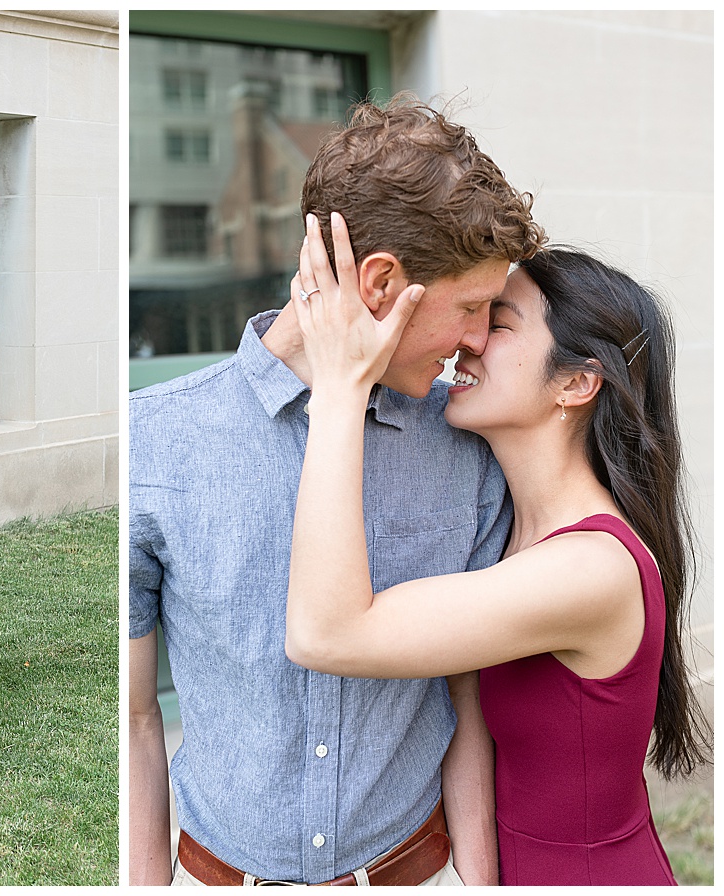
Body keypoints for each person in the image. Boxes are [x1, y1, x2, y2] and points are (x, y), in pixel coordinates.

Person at [129, 94, 545, 886]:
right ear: (382, 282)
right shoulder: (156, 441)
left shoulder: (466, 447)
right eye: (472, 307)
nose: (482, 341)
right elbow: (140, 719)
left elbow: (466, 711)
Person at [285, 215, 711, 885]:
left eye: (499, 322)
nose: (470, 342)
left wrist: (342, 386)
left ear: (576, 383)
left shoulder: (590, 570)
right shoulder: (511, 522)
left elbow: (327, 634)